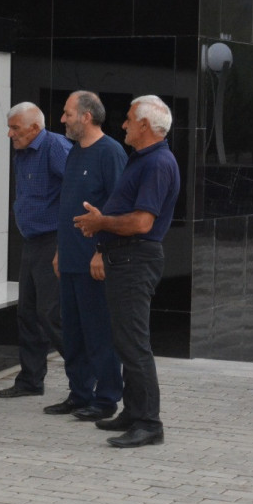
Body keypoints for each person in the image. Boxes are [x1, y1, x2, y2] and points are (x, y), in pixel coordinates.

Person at [74, 95, 180, 448]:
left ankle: (150, 423)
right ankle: (134, 413)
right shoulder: (142, 160)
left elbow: (141, 222)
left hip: (136, 259)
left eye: (129, 119)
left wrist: (101, 221)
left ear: (146, 126)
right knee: (125, 341)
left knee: (134, 345)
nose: (123, 125)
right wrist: (102, 231)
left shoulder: (158, 164)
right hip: (126, 259)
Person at [44, 91, 126, 421]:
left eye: (67, 113)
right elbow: (69, 207)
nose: (62, 119)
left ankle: (106, 398)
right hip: (70, 259)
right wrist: (61, 250)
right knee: (73, 332)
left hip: (95, 262)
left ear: (86, 116)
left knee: (98, 332)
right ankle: (79, 393)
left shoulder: (111, 153)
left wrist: (100, 253)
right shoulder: (74, 153)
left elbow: (116, 208)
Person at [0, 102, 70, 398]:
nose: (9, 134)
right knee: (26, 313)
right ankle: (30, 380)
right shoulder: (21, 151)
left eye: (15, 128)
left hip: (53, 240)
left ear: (35, 128)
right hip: (31, 241)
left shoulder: (55, 148)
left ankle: (86, 376)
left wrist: (65, 244)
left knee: (51, 314)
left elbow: (77, 191)